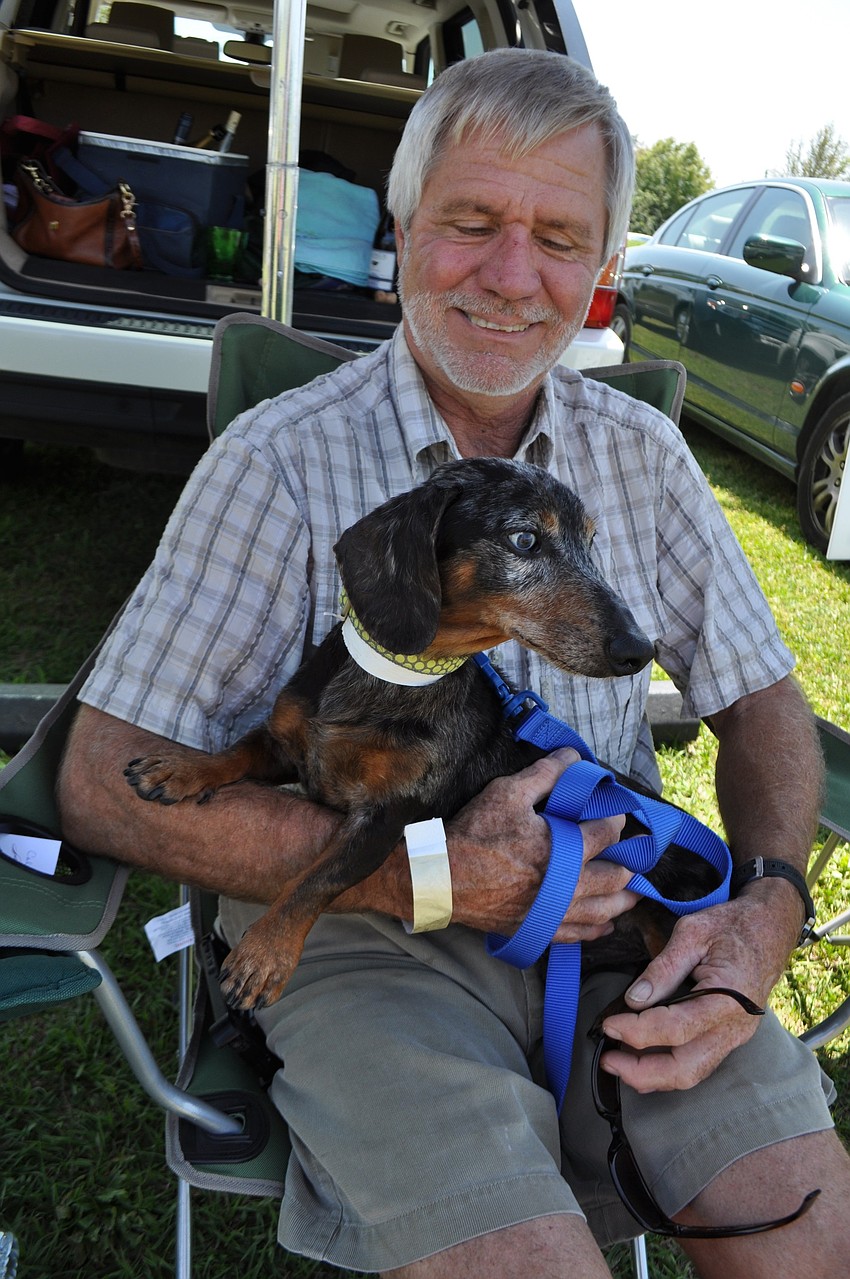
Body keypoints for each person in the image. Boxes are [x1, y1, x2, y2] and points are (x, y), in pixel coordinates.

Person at [57, 48, 850, 1279]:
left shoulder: (639, 455)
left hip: (621, 929)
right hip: (361, 945)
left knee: (801, 1226)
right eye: (471, 222)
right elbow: (103, 778)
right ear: (405, 224)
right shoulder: (278, 462)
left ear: (602, 266)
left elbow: (760, 704)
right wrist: (439, 875)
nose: (511, 276)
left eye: (558, 236)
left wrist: (766, 912)